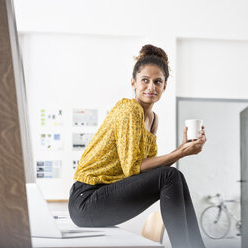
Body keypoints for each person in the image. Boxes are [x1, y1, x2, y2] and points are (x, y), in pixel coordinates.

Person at [68, 44, 207, 248]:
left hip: (105, 195)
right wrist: (180, 153)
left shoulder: (152, 119)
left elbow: (147, 172)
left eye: (157, 82)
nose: (151, 87)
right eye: (145, 80)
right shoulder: (129, 110)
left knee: (172, 176)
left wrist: (181, 149)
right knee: (171, 175)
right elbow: (132, 168)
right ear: (133, 83)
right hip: (86, 201)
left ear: (164, 87)